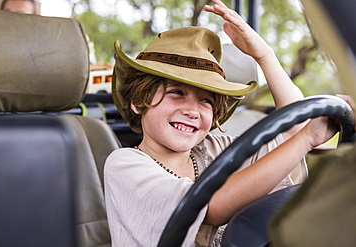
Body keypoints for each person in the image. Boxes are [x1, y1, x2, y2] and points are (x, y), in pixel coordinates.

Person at [104, 0, 344, 246]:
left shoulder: (216, 149)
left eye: (206, 101)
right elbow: (211, 207)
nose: (192, 111)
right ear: (138, 101)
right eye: (176, 93)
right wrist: (307, 138)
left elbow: (296, 129)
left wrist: (264, 55)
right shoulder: (125, 165)